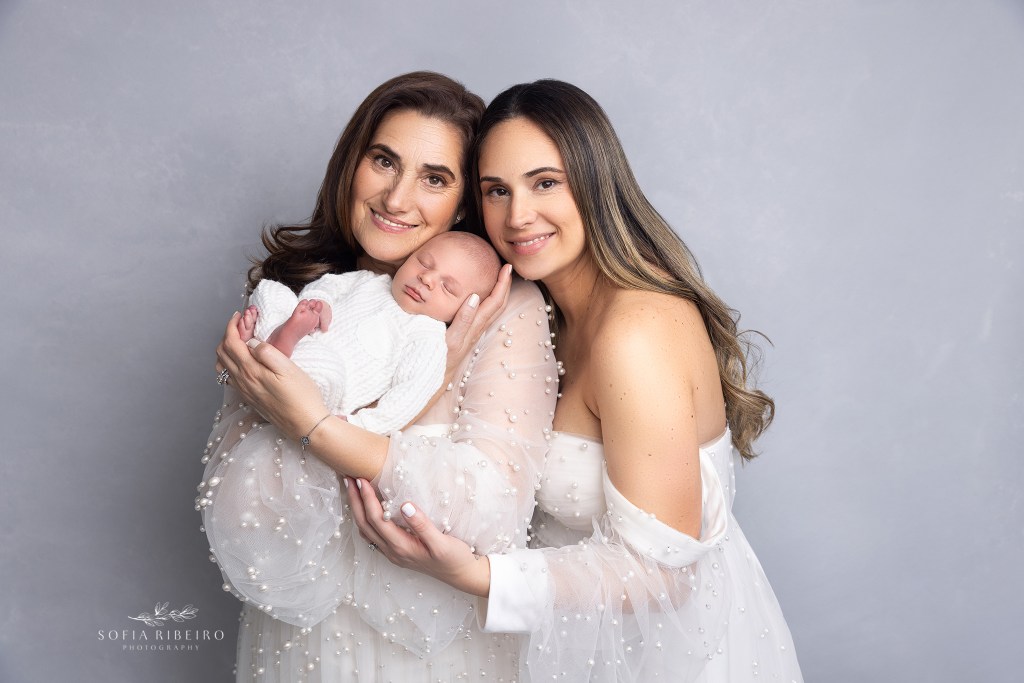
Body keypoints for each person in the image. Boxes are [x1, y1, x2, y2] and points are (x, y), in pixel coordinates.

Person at [347, 79, 804, 682]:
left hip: (670, 657)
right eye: (496, 191)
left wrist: (473, 576)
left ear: (594, 181)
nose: (518, 215)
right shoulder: (537, 312)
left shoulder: (636, 330)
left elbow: (665, 571)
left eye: (545, 183)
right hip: (573, 645)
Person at [206, 72, 558, 681]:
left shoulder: (498, 304)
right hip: (302, 641)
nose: (397, 199)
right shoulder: (300, 292)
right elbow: (243, 512)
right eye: (383, 160)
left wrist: (321, 422)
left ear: (463, 201)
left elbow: (494, 514)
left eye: (435, 178)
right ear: (352, 164)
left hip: (433, 649)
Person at [235, 231, 501, 433]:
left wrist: (359, 425)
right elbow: (329, 285)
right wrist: (319, 303)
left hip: (320, 387)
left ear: (465, 309)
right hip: (297, 342)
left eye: (447, 288)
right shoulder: (371, 281)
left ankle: (272, 345)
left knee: (327, 369)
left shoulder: (427, 338)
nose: (427, 279)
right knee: (271, 290)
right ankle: (273, 342)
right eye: (424, 263)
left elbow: (408, 397)